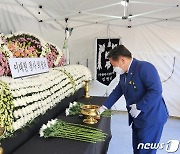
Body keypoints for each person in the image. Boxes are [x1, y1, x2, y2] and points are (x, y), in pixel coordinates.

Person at [98, 45, 169, 154]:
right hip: (137, 117)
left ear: (122, 60)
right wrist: (103, 107)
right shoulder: (124, 73)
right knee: (137, 148)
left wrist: (139, 106)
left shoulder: (145, 68)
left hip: (151, 117)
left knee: (146, 150)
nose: (113, 68)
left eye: (113, 65)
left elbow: (156, 91)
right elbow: (118, 91)